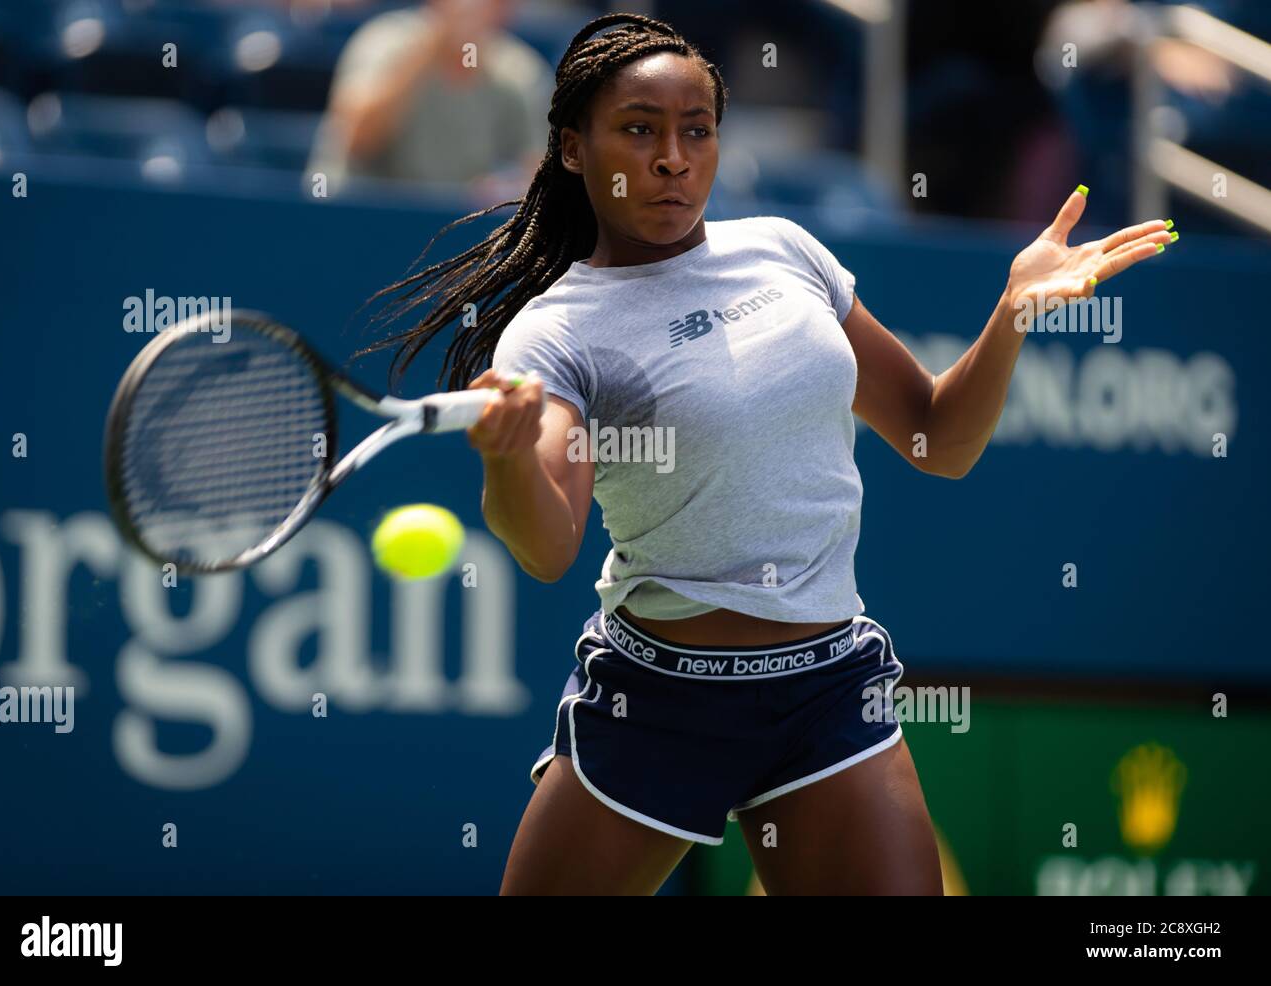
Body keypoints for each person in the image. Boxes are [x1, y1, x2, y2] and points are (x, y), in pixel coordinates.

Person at [358, 12, 1175, 895]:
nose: (673, 157)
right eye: (639, 129)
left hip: (827, 691)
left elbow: (938, 438)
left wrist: (1010, 315)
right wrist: (509, 457)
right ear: (570, 147)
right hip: (656, 698)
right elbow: (547, 544)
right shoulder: (555, 334)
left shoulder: (787, 252)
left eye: (696, 130)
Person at [307, 0, 553, 203]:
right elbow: (356, 139)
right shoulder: (382, 42)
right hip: (355, 218)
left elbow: (540, 177)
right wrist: (431, 48)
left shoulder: (521, 73)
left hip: (455, 235)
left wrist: (505, 190)